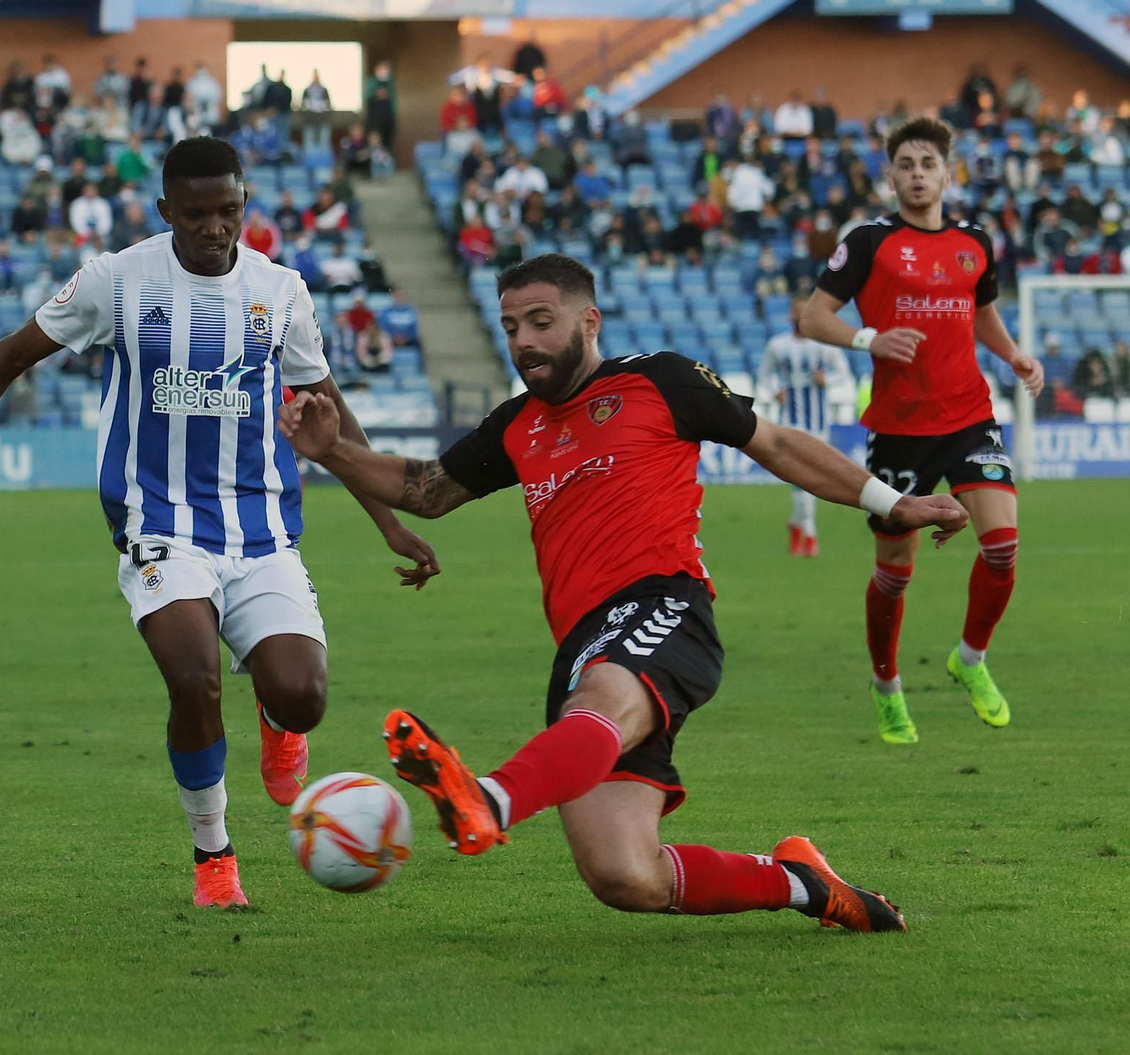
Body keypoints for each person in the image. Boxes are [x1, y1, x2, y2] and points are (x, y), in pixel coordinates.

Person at [280, 253, 966, 929]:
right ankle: (803, 883)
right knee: (625, 875)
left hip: (662, 604)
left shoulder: (662, 381)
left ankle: (487, 796)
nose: (523, 341)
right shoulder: (516, 425)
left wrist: (890, 501)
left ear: (590, 321)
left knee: (600, 700)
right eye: (511, 325)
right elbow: (424, 490)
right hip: (584, 645)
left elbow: (778, 444)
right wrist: (333, 450)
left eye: (541, 321)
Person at [0, 137, 440, 910]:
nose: (214, 228)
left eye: (228, 210)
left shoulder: (282, 292)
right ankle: (214, 858)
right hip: (158, 521)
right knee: (193, 678)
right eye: (195, 214)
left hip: (261, 529)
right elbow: (7, 358)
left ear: (243, 206)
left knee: (304, 696)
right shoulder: (117, 282)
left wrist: (389, 521)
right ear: (166, 211)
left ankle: (277, 715)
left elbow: (331, 419)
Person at [799, 117, 1044, 745]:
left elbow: (980, 310)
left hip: (968, 416)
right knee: (894, 574)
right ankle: (886, 688)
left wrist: (1013, 354)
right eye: (905, 164)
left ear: (946, 172)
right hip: (899, 431)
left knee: (1004, 546)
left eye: (927, 164)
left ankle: (970, 659)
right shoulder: (869, 243)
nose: (916, 174)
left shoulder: (974, 242)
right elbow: (812, 316)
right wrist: (869, 337)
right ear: (890, 175)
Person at [757, 297, 854, 557]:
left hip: (819, 423)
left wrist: (827, 380)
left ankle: (797, 524)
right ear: (790, 316)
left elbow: (843, 373)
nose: (799, 318)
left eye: (804, 313)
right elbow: (764, 376)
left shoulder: (824, 346)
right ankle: (810, 535)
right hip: (790, 422)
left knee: (811, 478)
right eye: (795, 312)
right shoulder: (778, 346)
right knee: (801, 478)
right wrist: (774, 392)